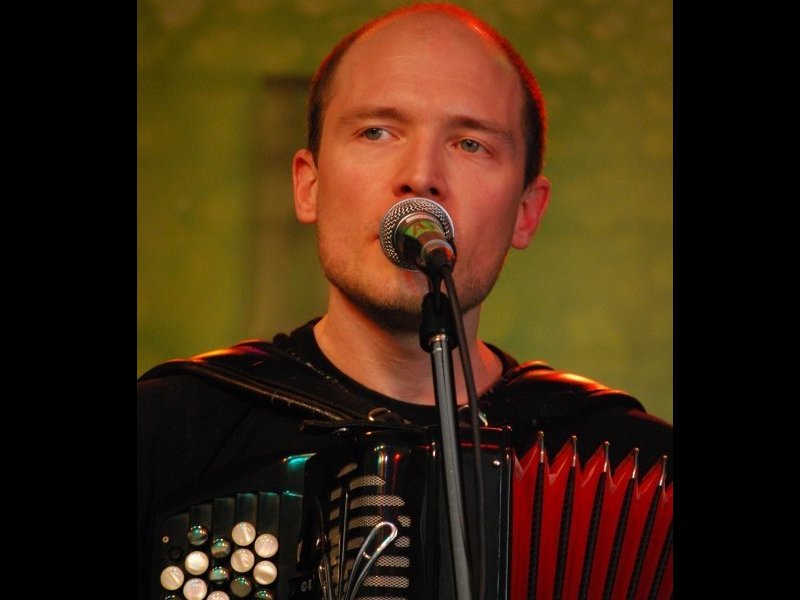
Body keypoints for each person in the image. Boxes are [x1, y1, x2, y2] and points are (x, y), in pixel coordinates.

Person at [138, 4, 672, 599]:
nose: (421, 176)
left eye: (470, 143)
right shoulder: (166, 433)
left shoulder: (633, 460)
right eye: (376, 131)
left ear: (527, 212)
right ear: (308, 185)